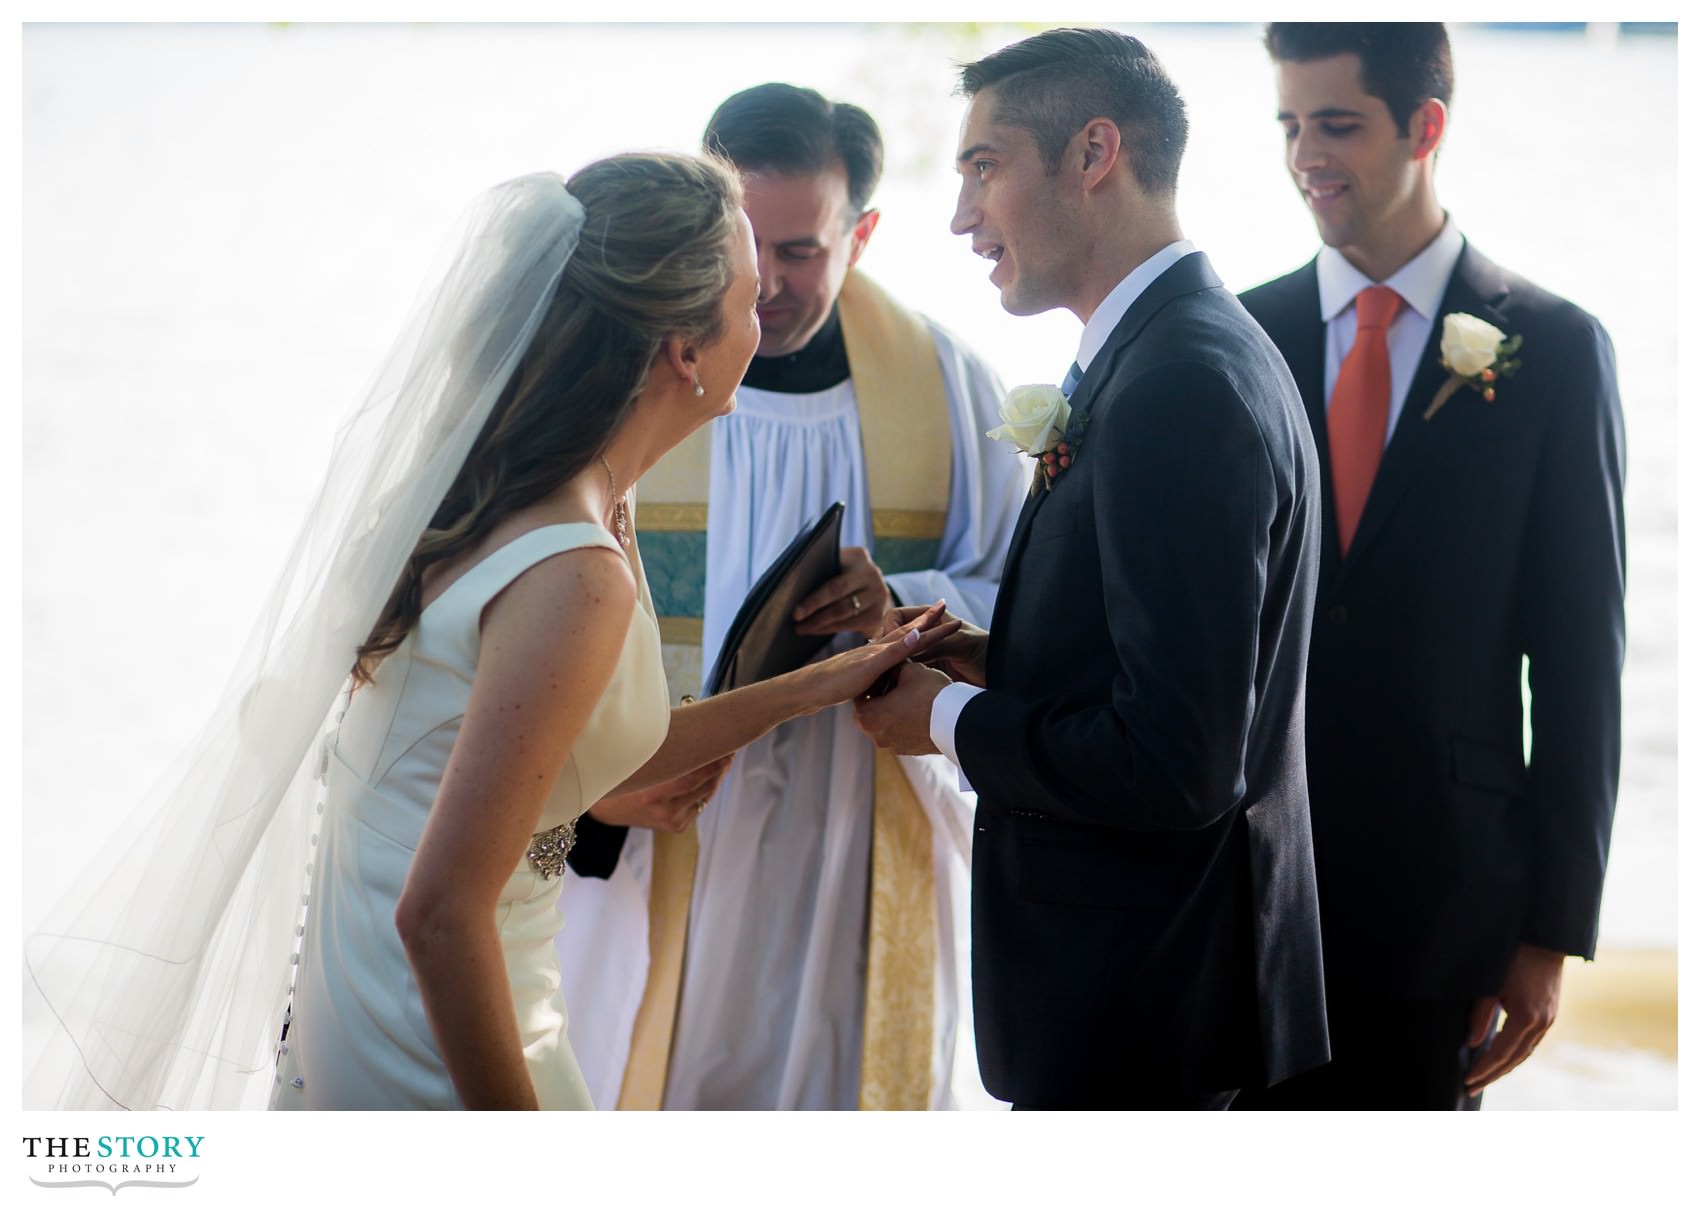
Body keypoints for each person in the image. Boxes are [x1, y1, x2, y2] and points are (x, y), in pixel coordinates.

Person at [23, 154, 959, 1111]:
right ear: (686, 349)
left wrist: (815, 686)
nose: (764, 328)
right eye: (750, 299)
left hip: (409, 975)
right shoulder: (575, 573)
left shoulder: (553, 494)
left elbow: (588, 749)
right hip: (446, 1021)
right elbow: (440, 912)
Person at [853, 27, 1330, 1110]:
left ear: (1092, 152)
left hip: (1138, 1008)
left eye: (983, 167)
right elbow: (1167, 665)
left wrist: (938, 721)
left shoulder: (1178, 388)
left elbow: (1178, 763)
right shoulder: (1179, 347)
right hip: (1150, 991)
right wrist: (987, 656)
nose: (960, 215)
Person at [553, 83, 1028, 1110]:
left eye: (802, 250)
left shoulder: (947, 384)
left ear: (860, 230)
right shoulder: (639, 369)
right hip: (665, 815)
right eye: (744, 244)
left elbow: (1017, 596)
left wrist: (893, 599)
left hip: (853, 824)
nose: (764, 282)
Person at [1232, 23, 1626, 1111]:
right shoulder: (1237, 335)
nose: (1305, 155)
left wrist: (1548, 931)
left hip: (1445, 908)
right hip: (1245, 892)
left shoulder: (1551, 347)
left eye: (1337, 125)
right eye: (1288, 125)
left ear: (1426, 126)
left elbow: (1580, 660)